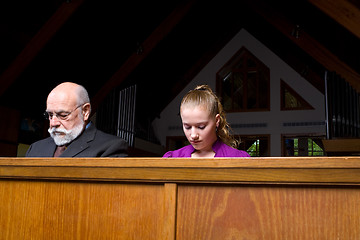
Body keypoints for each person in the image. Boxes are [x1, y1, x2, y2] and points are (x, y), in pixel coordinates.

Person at [26, 82, 128, 157]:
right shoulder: (35, 148)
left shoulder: (111, 147)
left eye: (63, 115)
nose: (53, 123)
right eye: (50, 115)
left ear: (85, 111)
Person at [163, 85, 250, 158]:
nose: (193, 135)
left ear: (217, 120)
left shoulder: (238, 158)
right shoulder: (172, 158)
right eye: (187, 127)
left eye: (201, 127)